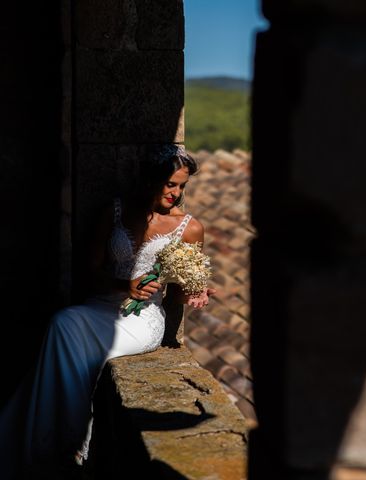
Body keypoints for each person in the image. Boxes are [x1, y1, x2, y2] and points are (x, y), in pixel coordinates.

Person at [0, 144, 215, 479]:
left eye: (181, 186)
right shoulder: (114, 212)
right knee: (63, 322)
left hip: (142, 320)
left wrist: (196, 291)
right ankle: (53, 436)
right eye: (169, 184)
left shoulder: (190, 228)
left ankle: (68, 443)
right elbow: (90, 270)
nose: (175, 193)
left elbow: (180, 293)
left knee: (90, 356)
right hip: (100, 307)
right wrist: (123, 286)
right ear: (148, 180)